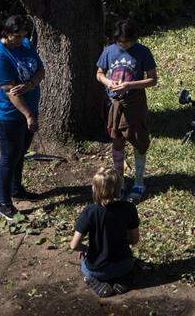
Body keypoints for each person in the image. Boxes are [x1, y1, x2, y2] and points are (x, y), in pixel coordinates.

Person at [0, 15, 45, 220]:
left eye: (23, 35)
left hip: (29, 112)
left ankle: (16, 189)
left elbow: (41, 71)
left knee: (21, 153)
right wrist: (29, 115)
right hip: (8, 116)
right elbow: (12, 93)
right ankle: (3, 203)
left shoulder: (26, 45)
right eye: (16, 36)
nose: (20, 40)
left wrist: (29, 85)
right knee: (9, 157)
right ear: (6, 33)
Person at [96, 19, 158, 202]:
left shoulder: (143, 52)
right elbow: (99, 73)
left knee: (139, 141)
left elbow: (153, 79)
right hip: (115, 104)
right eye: (120, 42)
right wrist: (108, 82)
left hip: (135, 103)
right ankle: (120, 183)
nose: (124, 45)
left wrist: (129, 85)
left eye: (127, 42)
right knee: (117, 140)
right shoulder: (109, 51)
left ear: (134, 38)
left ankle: (139, 183)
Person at [70, 166, 140, 298]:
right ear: (120, 187)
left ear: (95, 189)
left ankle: (92, 280)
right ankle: (123, 280)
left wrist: (86, 249)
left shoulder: (89, 211)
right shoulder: (129, 208)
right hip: (124, 265)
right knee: (128, 264)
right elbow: (135, 240)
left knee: (84, 267)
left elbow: (74, 245)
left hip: (98, 270)